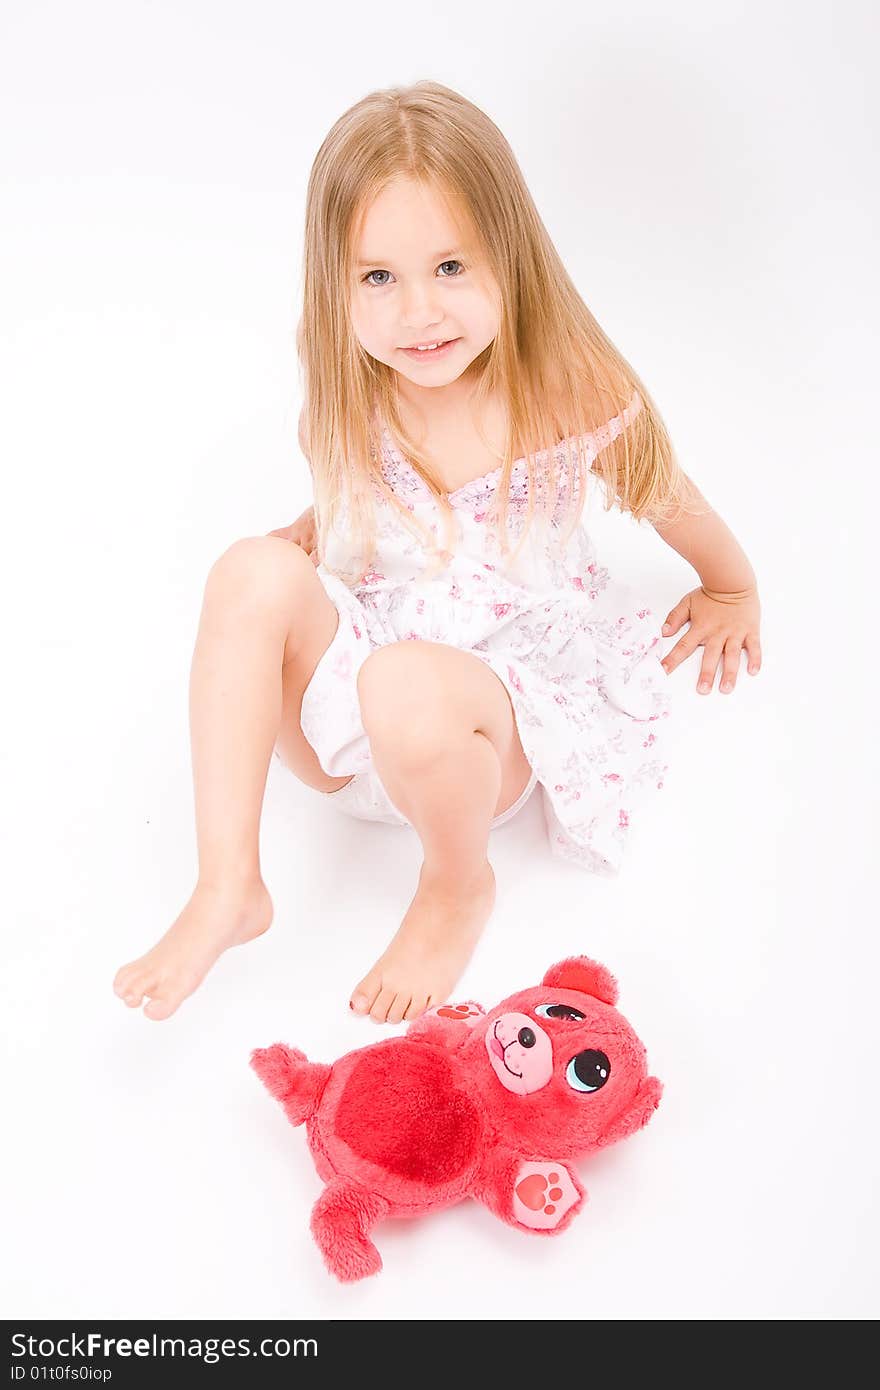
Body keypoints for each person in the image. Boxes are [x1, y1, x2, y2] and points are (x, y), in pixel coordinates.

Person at [113, 81, 761, 1027]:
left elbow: (670, 494)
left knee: (408, 686)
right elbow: (367, 500)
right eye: (378, 277)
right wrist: (308, 535)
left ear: (513, 257)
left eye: (451, 266)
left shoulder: (568, 393)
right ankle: (228, 887)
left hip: (476, 740)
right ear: (335, 286)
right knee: (247, 571)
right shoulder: (351, 397)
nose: (418, 312)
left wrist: (731, 586)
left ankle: (456, 885)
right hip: (353, 728)